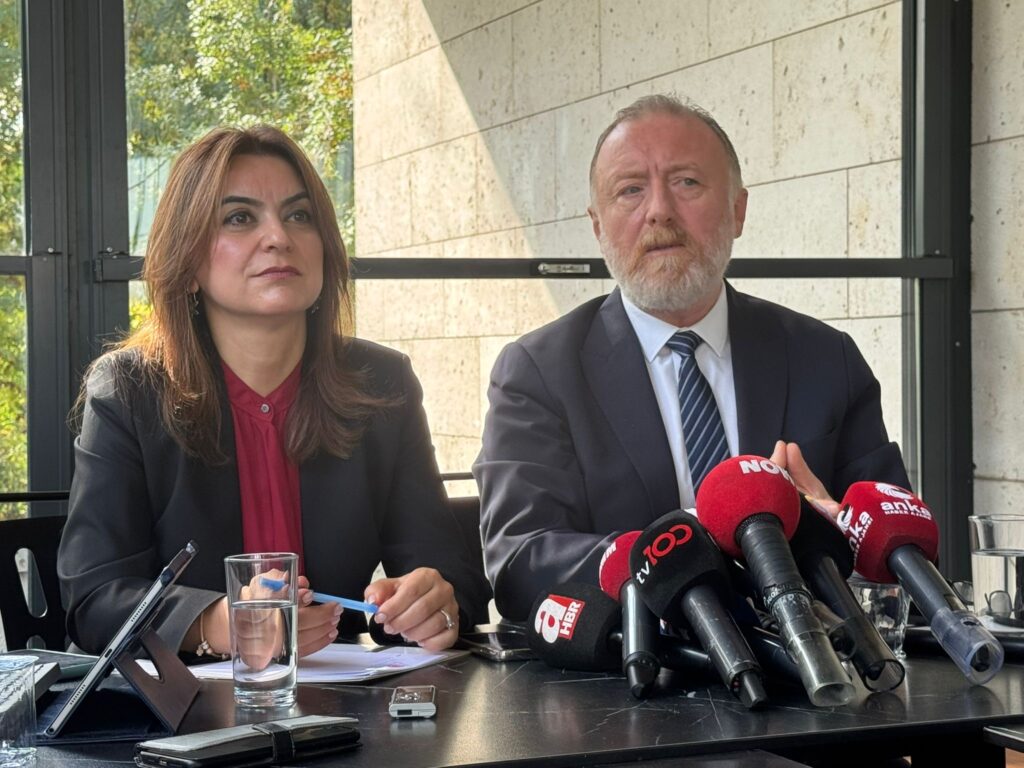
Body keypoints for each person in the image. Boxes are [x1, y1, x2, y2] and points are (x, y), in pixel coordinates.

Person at [474, 94, 910, 621]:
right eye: (630, 190)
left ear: (738, 210)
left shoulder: (824, 357)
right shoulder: (539, 372)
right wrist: (677, 552)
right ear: (597, 226)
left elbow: (901, 548)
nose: (658, 210)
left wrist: (841, 532)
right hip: (634, 664)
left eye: (686, 182)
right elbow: (521, 561)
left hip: (812, 656)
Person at [59, 125, 490, 658]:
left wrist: (434, 604)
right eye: (240, 218)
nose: (278, 237)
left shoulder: (383, 382)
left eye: (299, 215)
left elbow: (453, 574)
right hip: (181, 706)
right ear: (187, 263)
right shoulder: (129, 390)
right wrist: (218, 625)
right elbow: (95, 599)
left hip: (346, 698)